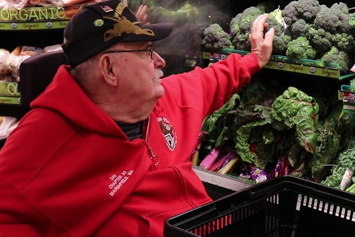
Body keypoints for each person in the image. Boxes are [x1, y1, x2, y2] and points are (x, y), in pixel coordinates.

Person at [0, 0, 274, 236]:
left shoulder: (162, 99)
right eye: (146, 51)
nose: (160, 61)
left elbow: (209, 80)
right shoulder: (39, 145)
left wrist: (254, 59)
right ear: (109, 69)